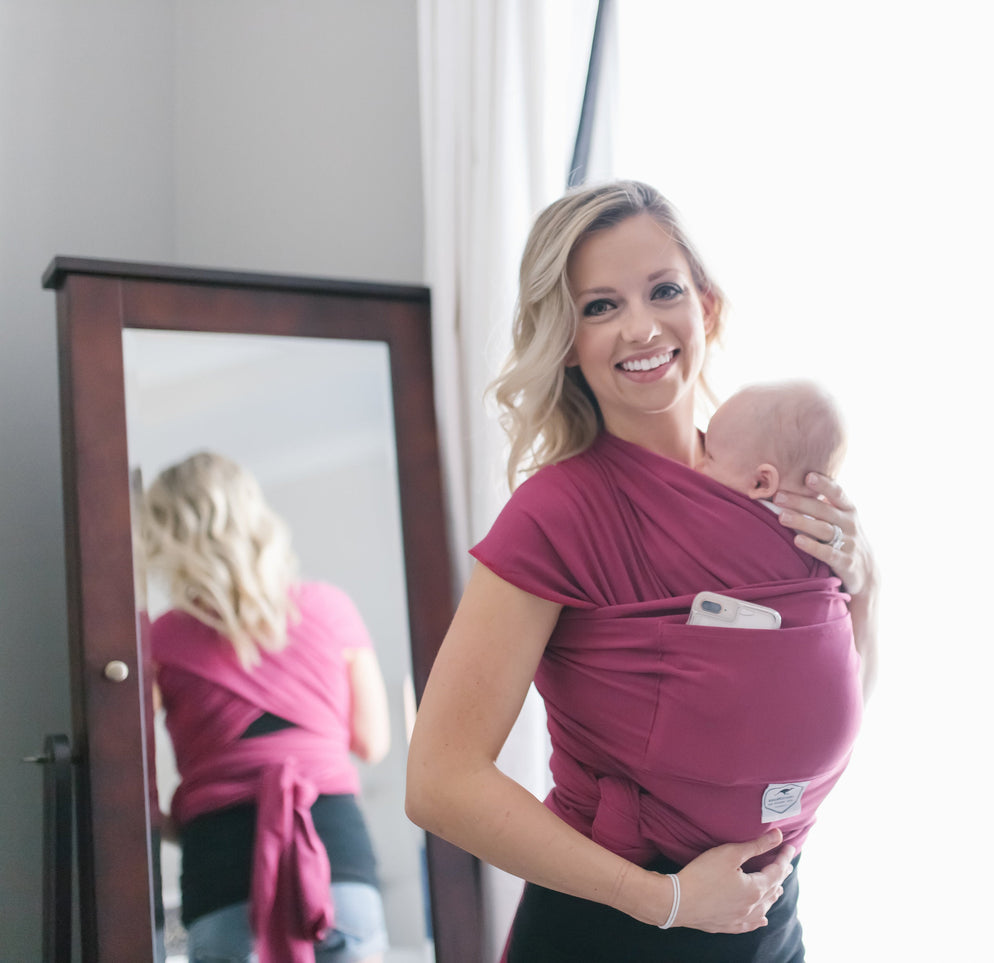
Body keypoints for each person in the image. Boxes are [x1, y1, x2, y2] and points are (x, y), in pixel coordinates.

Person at [405, 180, 880, 963]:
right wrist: (664, 901)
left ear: (708, 308)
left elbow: (834, 700)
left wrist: (869, 583)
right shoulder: (557, 512)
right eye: (599, 306)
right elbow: (440, 779)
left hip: (765, 918)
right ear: (564, 338)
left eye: (663, 290)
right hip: (615, 928)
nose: (640, 326)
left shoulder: (781, 483)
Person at [142, 451, 391, 963]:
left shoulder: (157, 639)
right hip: (334, 850)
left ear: (165, 537)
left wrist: (180, 826)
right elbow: (373, 742)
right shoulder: (329, 607)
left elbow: (131, 782)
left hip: (220, 860)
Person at [699, 380, 847, 511]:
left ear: (761, 483)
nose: (698, 463)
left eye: (710, 457)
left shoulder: (737, 523)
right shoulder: (817, 530)